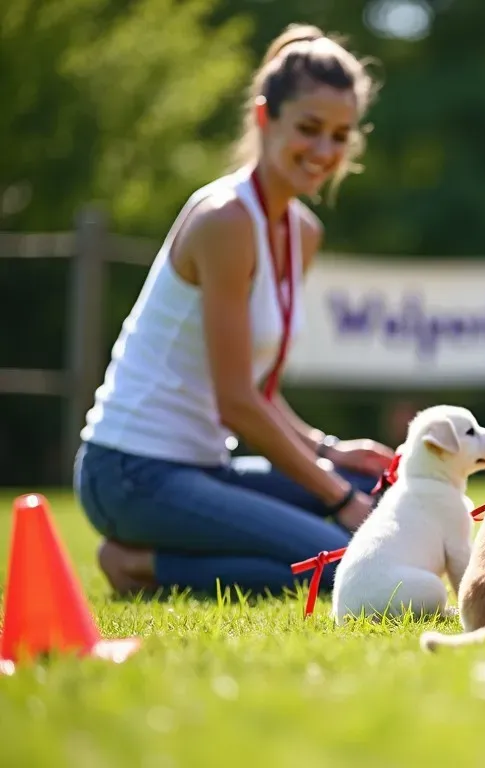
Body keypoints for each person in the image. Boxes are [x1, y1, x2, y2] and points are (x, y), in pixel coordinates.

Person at [73, 24, 396, 599]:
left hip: (201, 469)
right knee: (350, 559)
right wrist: (339, 499)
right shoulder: (225, 219)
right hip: (130, 474)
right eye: (309, 129)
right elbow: (237, 404)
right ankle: (138, 564)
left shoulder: (303, 231)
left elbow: (257, 392)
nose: (324, 152)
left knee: (372, 486)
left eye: (340, 136)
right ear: (264, 116)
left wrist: (329, 452)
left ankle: (192, 545)